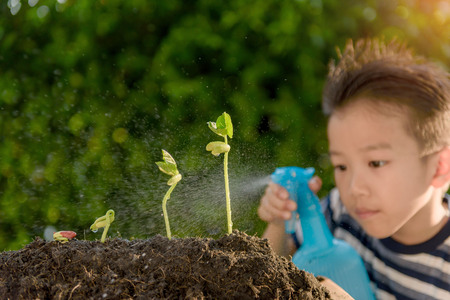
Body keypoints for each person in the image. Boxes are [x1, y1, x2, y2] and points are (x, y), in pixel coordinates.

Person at [258, 38, 450, 300]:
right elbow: (265, 273)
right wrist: (280, 221)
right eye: (342, 165)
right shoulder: (341, 213)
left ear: (440, 166)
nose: (353, 188)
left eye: (376, 162)